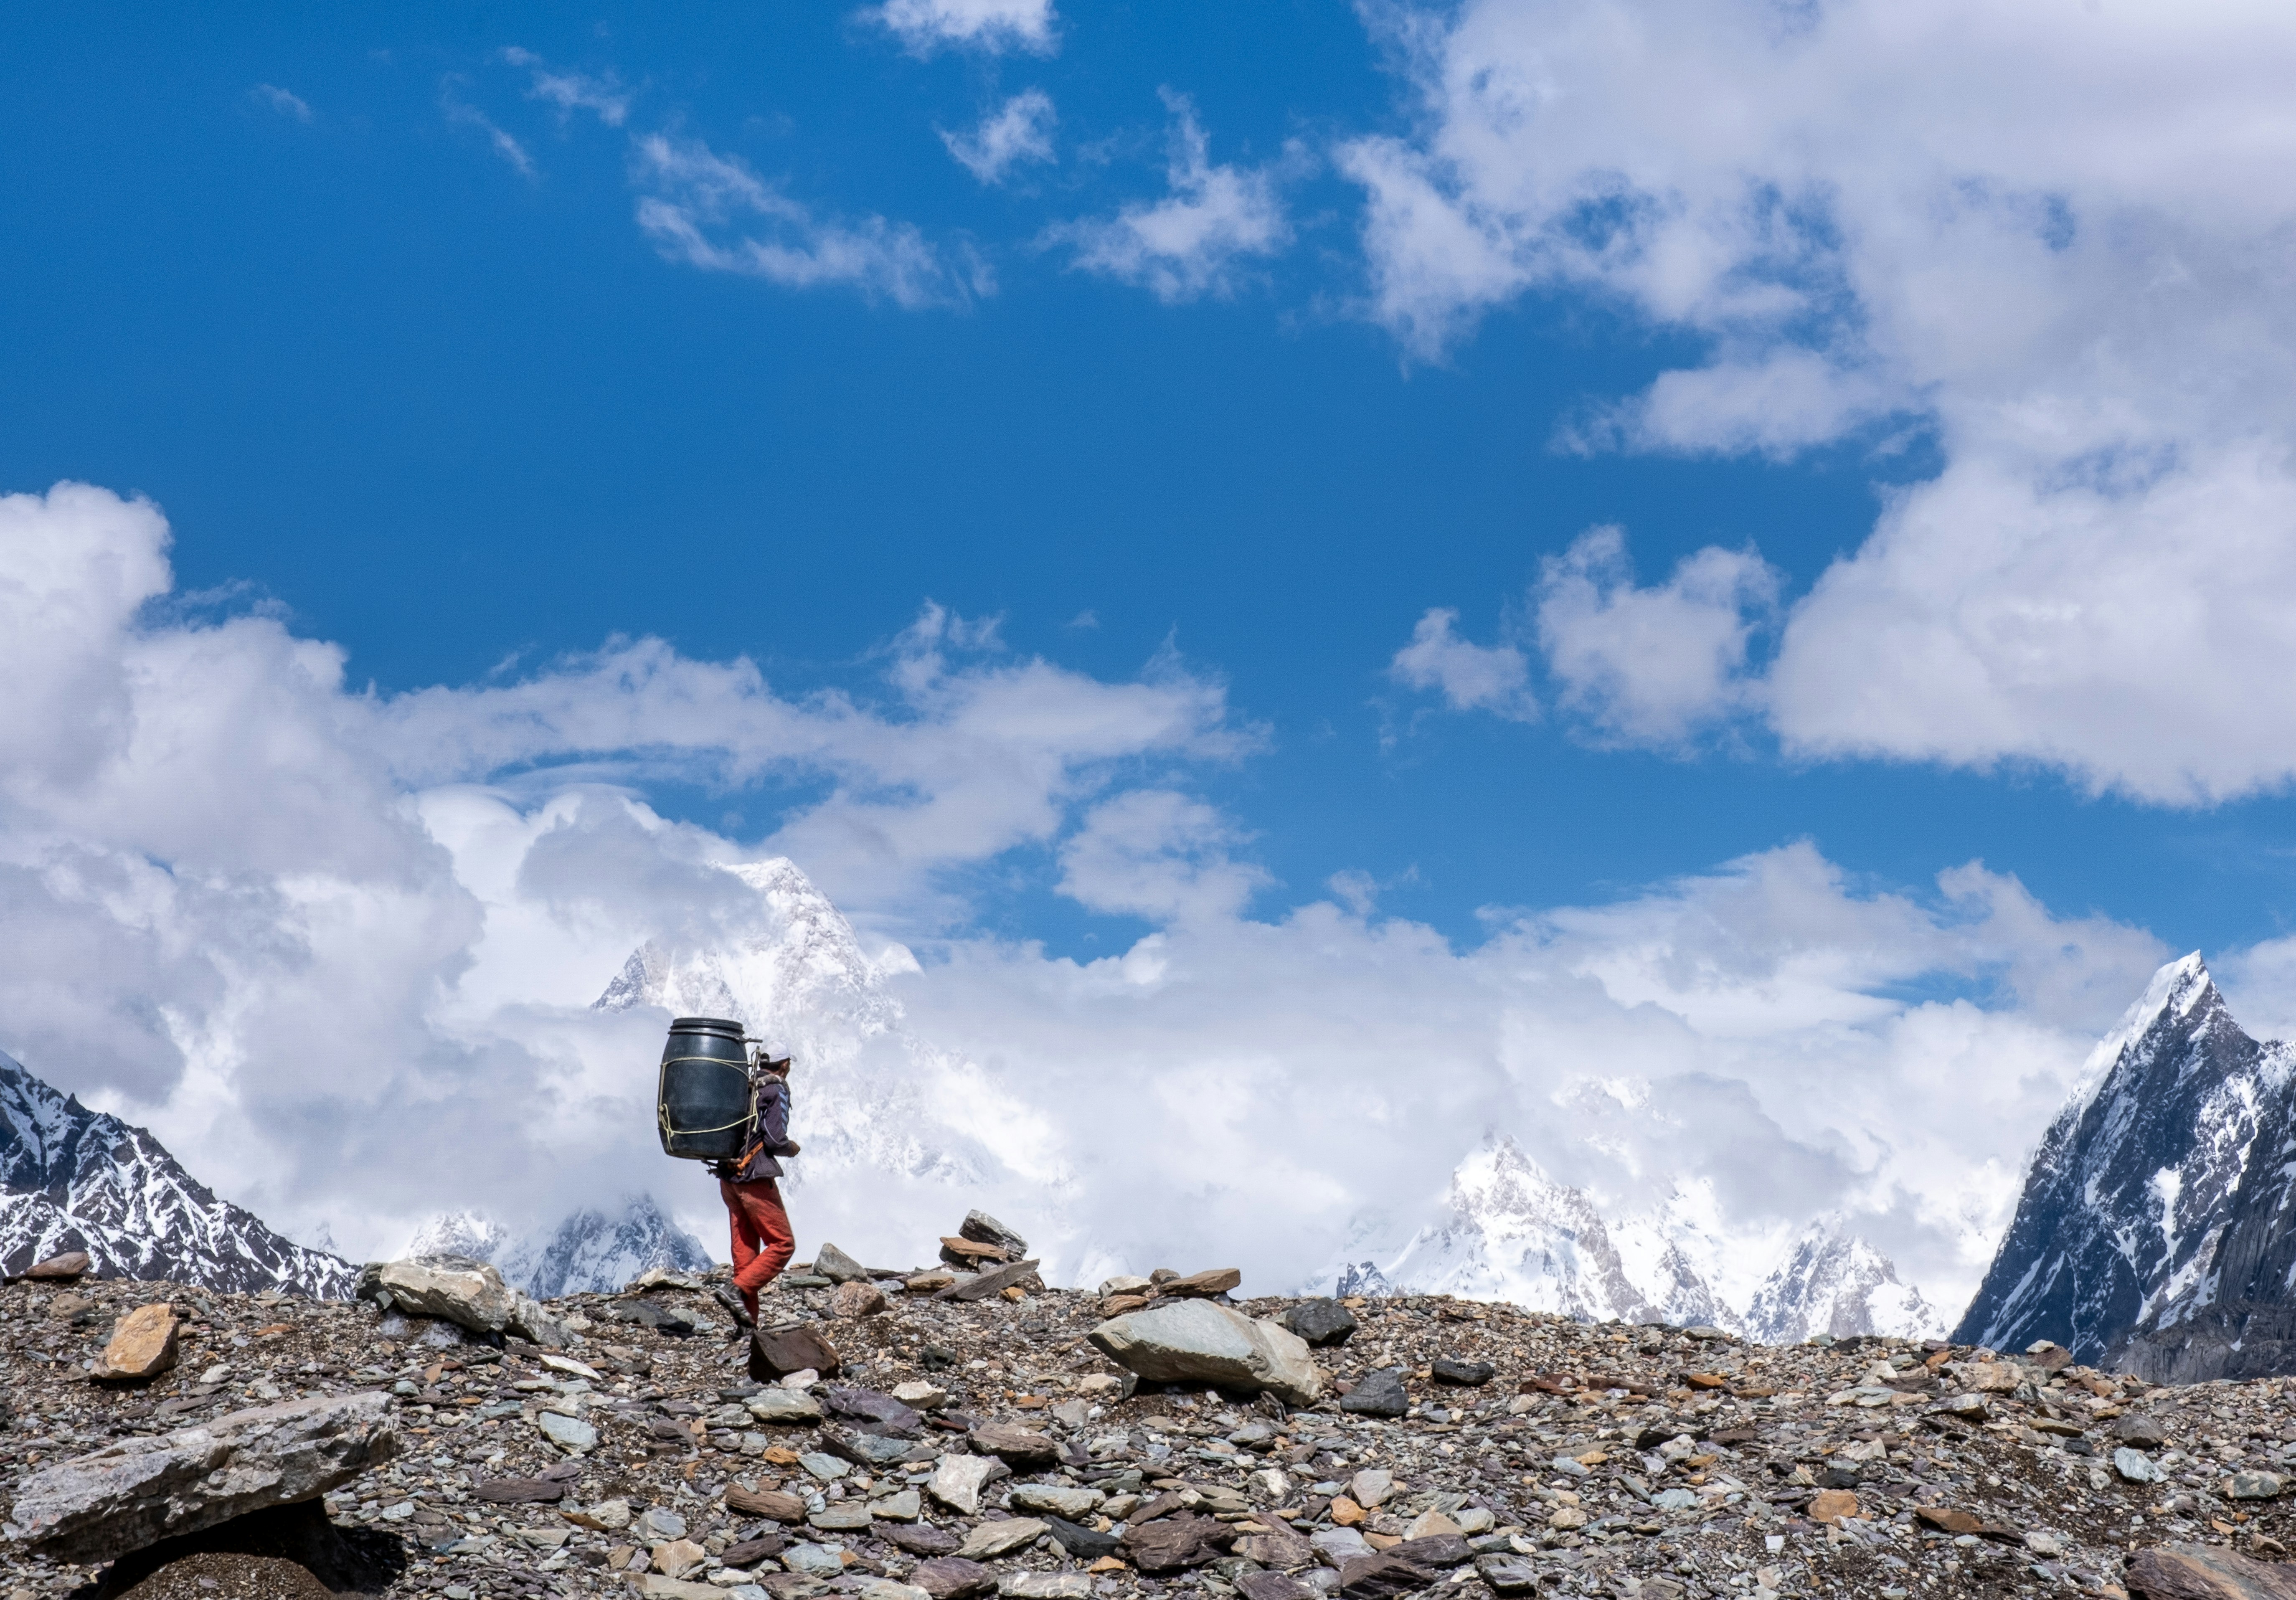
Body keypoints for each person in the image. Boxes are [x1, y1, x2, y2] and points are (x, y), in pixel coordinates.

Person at [713, 1052, 799, 1327]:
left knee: (745, 1252)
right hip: (754, 1178)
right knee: (783, 1244)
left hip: (729, 1177)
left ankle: (747, 1324)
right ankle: (736, 1290)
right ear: (785, 1064)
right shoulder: (775, 1089)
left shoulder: (742, 1084)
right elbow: (774, 1139)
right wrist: (791, 1148)